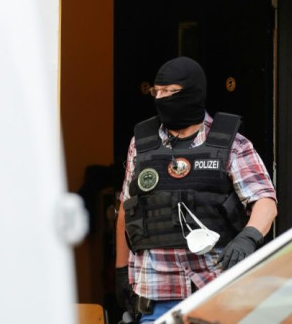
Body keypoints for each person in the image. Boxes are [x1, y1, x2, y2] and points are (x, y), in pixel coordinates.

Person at [115, 56, 277, 323]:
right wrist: (121, 271)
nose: (161, 98)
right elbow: (126, 209)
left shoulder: (231, 143)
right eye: (158, 91)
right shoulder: (142, 144)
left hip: (215, 291)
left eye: (171, 92)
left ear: (193, 93)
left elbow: (265, 201)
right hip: (155, 294)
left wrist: (248, 237)